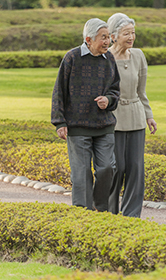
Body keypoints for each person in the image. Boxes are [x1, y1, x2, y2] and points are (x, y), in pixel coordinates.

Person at [51, 18, 120, 212]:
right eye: (103, 38)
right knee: (81, 175)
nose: (108, 42)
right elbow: (59, 91)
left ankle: (99, 208)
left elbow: (115, 90)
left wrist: (108, 100)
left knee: (107, 168)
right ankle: (82, 213)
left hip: (104, 124)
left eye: (108, 37)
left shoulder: (109, 59)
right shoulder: (72, 58)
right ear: (88, 39)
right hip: (78, 127)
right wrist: (60, 122)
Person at [107, 13, 157, 218]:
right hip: (114, 119)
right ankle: (109, 212)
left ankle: (132, 216)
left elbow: (141, 91)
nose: (131, 37)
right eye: (126, 33)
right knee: (116, 167)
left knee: (136, 168)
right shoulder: (105, 58)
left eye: (133, 33)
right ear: (113, 36)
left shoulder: (138, 55)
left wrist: (149, 115)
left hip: (136, 116)